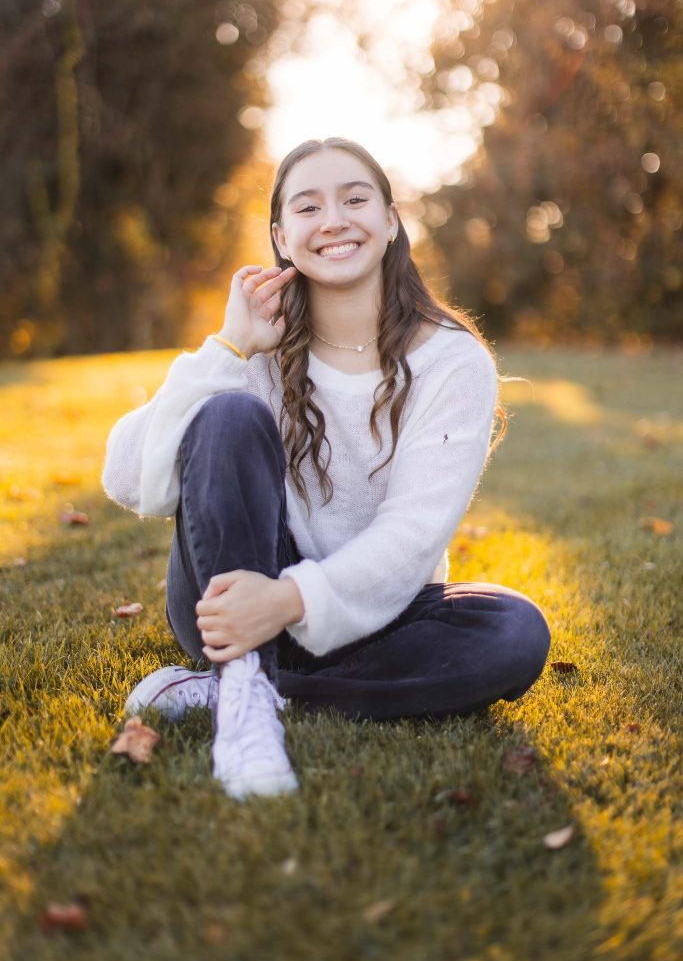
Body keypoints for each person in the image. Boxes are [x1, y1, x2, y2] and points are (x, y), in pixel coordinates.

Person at [102, 137, 551, 802]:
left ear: (391, 221)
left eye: (354, 198)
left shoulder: (452, 361)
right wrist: (227, 348)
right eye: (308, 207)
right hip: (231, 591)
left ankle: (241, 685)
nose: (334, 219)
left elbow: (411, 532)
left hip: (377, 611)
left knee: (515, 631)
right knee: (226, 415)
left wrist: (287, 603)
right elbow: (131, 482)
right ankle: (245, 691)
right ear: (282, 238)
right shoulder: (254, 343)